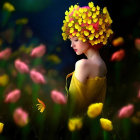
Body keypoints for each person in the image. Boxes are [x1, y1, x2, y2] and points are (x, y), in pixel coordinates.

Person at [62, 2, 113, 116]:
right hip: (93, 124)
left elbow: (73, 106)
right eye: (70, 41)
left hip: (77, 125)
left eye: (76, 40)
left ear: (90, 35)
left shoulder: (82, 65)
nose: (72, 45)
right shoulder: (102, 65)